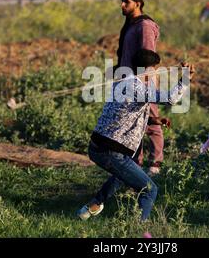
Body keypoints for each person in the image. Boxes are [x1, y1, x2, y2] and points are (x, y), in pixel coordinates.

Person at [77, 49, 195, 221]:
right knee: (149, 189)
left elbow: (125, 114)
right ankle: (138, 230)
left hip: (97, 146)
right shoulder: (135, 86)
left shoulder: (123, 83)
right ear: (149, 70)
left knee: (124, 174)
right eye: (155, 69)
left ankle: (90, 208)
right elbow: (171, 98)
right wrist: (186, 78)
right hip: (110, 151)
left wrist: (154, 120)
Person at [115, 0, 167, 176]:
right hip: (128, 81)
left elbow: (147, 57)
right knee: (133, 123)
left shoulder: (144, 25)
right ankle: (136, 163)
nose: (122, 5)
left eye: (126, 2)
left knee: (152, 123)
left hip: (143, 81)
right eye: (122, 1)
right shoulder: (131, 24)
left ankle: (155, 164)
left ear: (138, 3)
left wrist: (142, 81)